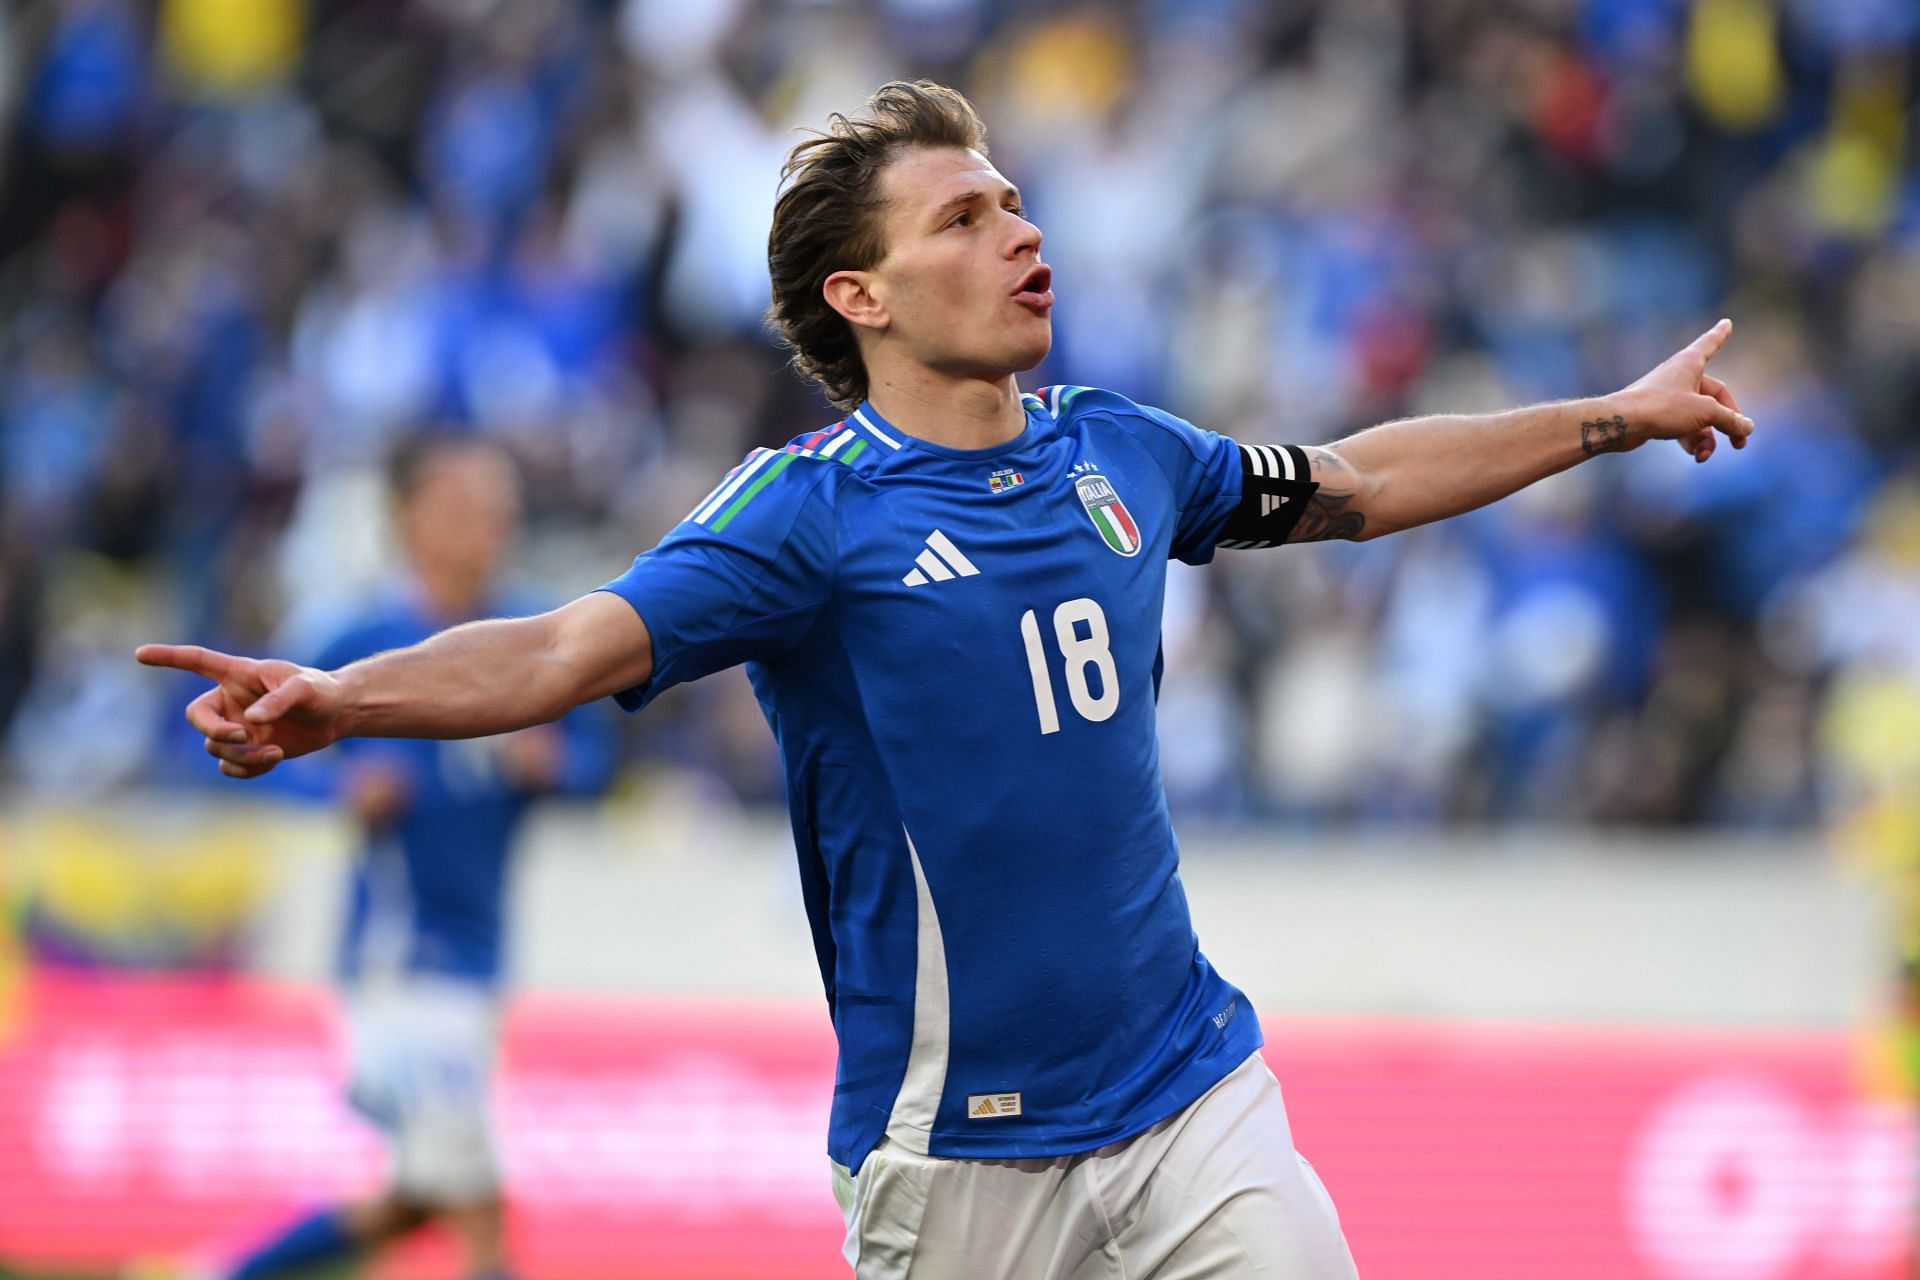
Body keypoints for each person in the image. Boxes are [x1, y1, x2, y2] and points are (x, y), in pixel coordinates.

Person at [139, 81, 1754, 1279]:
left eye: (1015, 200)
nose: (1021, 231)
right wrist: (344, 696)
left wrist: (1610, 413)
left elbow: (1358, 478)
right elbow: (567, 646)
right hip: (959, 1156)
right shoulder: (805, 514)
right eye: (964, 218)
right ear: (865, 297)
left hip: (1193, 1093)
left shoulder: (1127, 449)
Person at [204, 438, 614, 1280]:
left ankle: (220, 1273)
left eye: (501, 509)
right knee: (476, 1202)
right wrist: (336, 792)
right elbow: (243, 771)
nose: (489, 526)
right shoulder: (357, 636)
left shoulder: (531, 634)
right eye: (465, 506)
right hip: (397, 959)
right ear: (407, 519)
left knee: (418, 1194)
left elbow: (597, 760)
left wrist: (556, 770)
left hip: (479, 956)